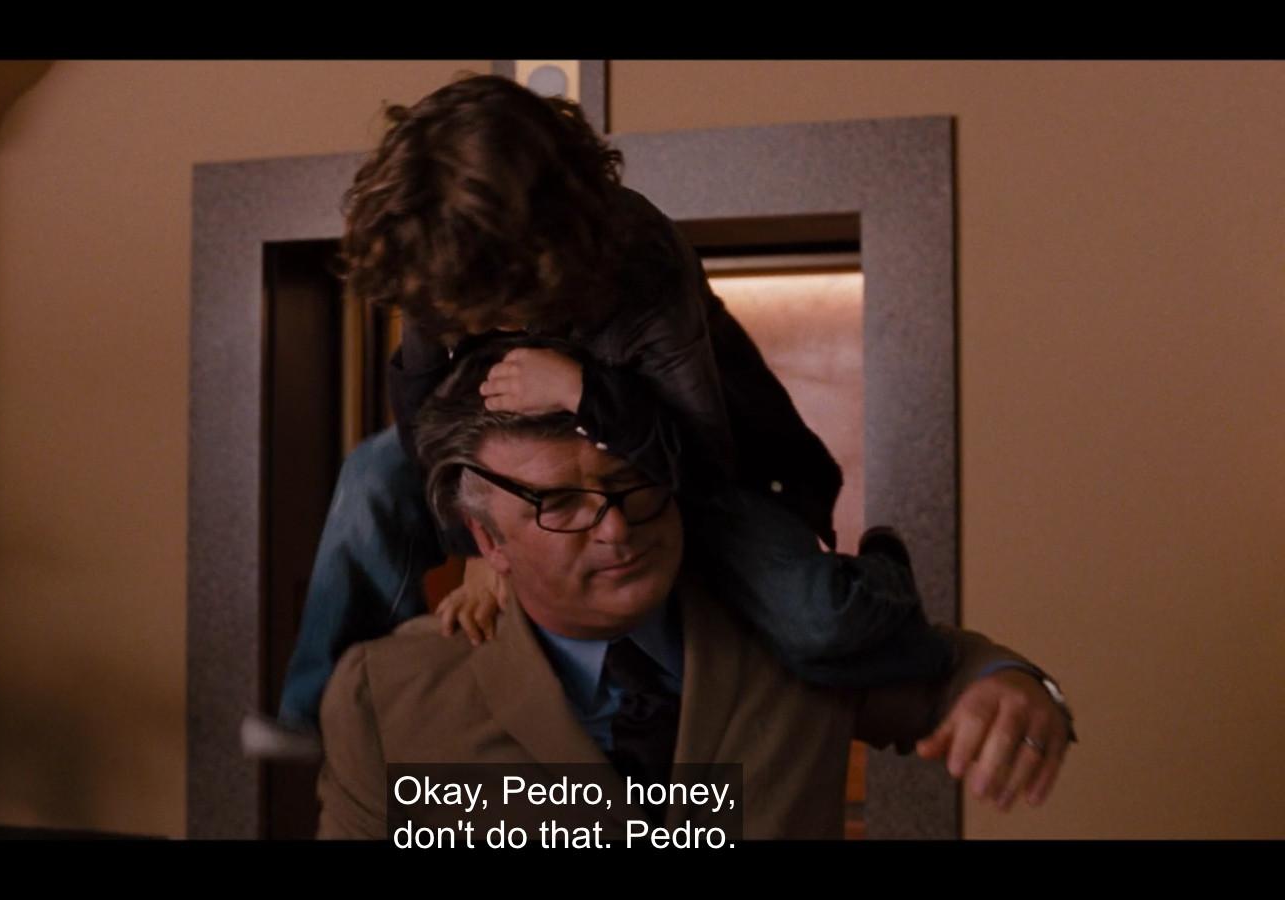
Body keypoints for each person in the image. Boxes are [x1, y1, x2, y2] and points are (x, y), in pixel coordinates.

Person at [271, 73, 947, 744]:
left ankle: (885, 573)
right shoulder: (439, 253)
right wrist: (475, 541)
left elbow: (701, 459)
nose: (469, 326)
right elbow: (421, 412)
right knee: (371, 475)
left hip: (680, 455)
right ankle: (321, 710)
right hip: (512, 448)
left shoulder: (644, 260)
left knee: (823, 628)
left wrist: (581, 391)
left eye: (488, 309)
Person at [315, 345, 1076, 839]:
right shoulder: (389, 697)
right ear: (488, 542)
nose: (618, 530)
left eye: (634, 484)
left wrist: (1018, 685)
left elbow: (960, 672)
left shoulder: (793, 642)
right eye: (561, 505)